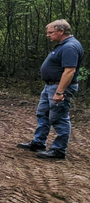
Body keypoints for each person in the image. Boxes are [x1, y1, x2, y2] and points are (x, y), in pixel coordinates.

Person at [18, 19, 84, 159]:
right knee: (43, 114)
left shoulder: (70, 47)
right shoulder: (63, 45)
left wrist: (60, 92)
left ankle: (59, 150)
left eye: (50, 32)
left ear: (61, 31)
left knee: (58, 118)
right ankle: (38, 143)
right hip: (50, 85)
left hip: (59, 87)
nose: (48, 35)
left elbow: (69, 71)